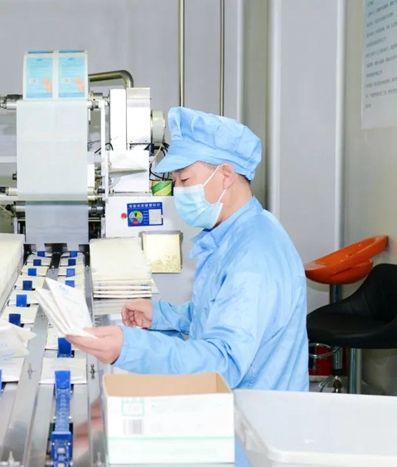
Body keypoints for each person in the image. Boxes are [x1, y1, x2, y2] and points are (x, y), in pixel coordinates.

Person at [68, 107, 309, 391]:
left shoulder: (254, 256)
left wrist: (130, 348)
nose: (178, 190)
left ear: (226, 175)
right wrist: (159, 315)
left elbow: (225, 362)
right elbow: (213, 312)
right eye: (175, 181)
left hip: (257, 410)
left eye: (184, 180)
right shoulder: (235, 232)